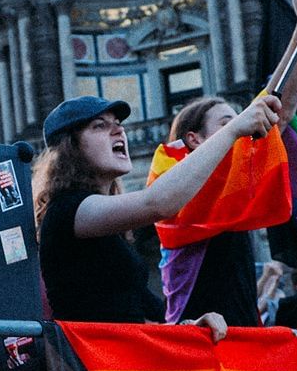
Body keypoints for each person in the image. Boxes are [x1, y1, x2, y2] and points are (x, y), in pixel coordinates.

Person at [161, 0, 297, 330]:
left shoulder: (233, 184)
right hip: (195, 347)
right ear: (194, 139)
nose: (242, 127)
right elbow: (274, 110)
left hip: (241, 341)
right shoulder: (176, 186)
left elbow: (279, 109)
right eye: (227, 122)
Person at [35, 92, 281, 336]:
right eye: (100, 126)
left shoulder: (106, 226)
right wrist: (232, 130)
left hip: (118, 361)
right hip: (88, 366)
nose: (119, 131)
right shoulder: (66, 210)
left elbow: (137, 316)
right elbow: (157, 203)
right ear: (70, 148)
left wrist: (189, 327)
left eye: (119, 125)